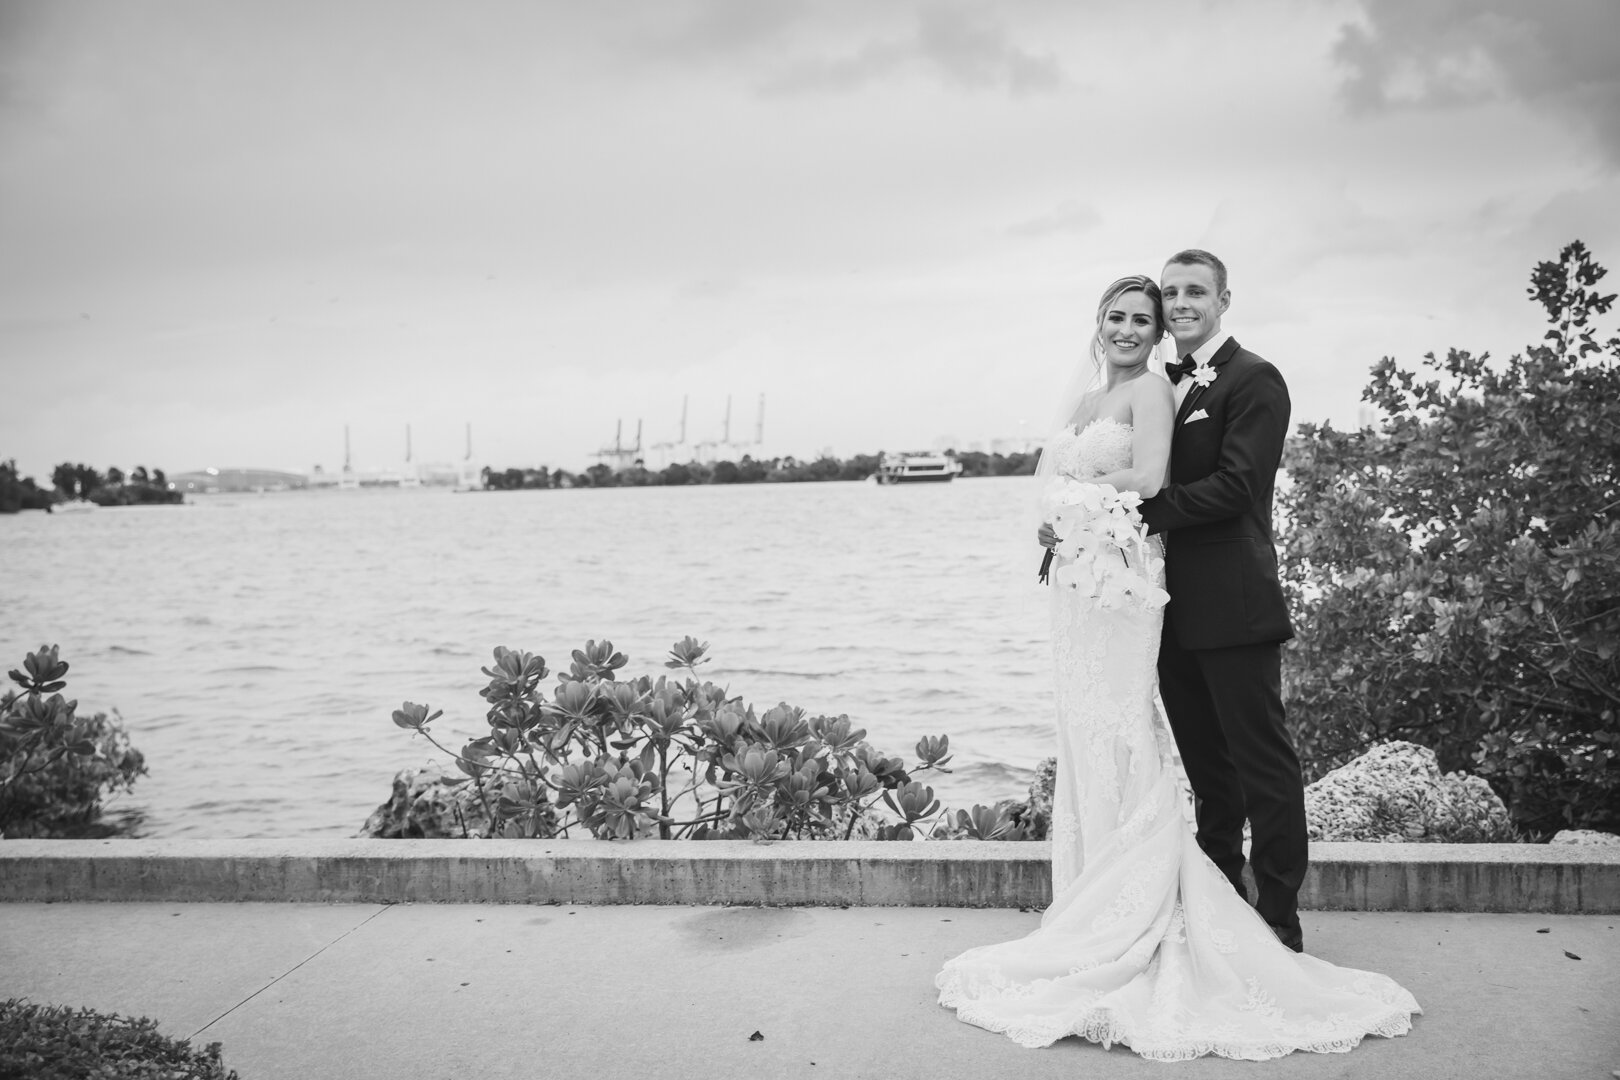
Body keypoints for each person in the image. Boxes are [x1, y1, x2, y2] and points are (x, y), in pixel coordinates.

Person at [934, 271, 1419, 1060]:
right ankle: (1195, 900)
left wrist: (1100, 508)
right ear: (1102, 321)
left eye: (1186, 296)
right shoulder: (1133, 388)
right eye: (1163, 298)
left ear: (1221, 300)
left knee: (1261, 759)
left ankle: (1278, 923)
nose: (1170, 310)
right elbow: (1104, 482)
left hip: (1230, 598)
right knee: (1197, 764)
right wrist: (1071, 524)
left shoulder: (1250, 379)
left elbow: (1230, 486)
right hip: (1145, 599)